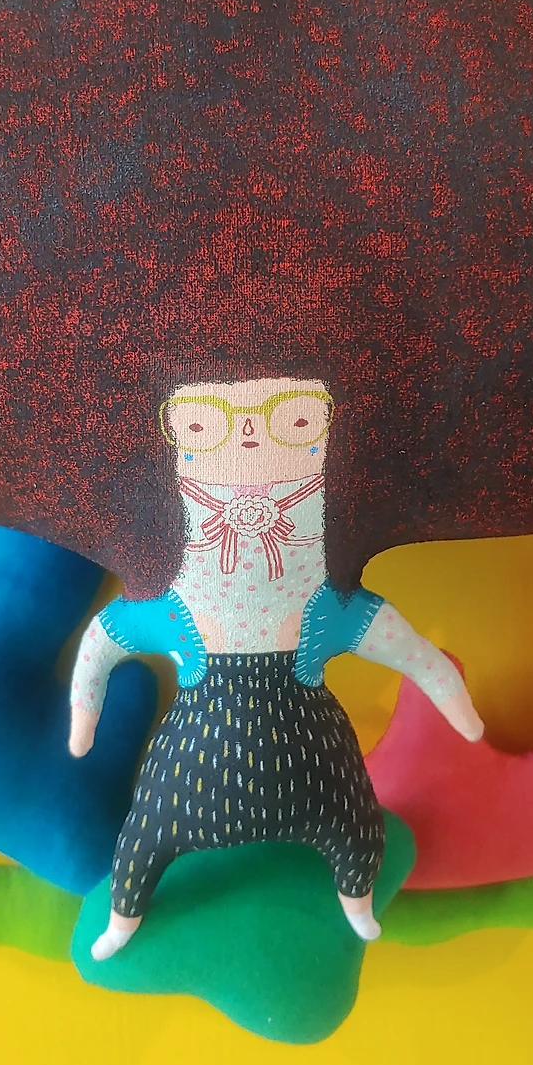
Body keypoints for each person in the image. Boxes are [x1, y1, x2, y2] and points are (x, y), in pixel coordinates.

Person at [69, 374, 484, 960]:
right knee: (146, 843)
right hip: (240, 767)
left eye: (293, 419)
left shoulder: (328, 606)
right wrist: (82, 719)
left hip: (258, 765)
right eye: (203, 424)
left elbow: (416, 654)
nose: (246, 439)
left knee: (355, 834)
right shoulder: (177, 605)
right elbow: (101, 644)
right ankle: (124, 916)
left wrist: (452, 697)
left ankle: (356, 901)